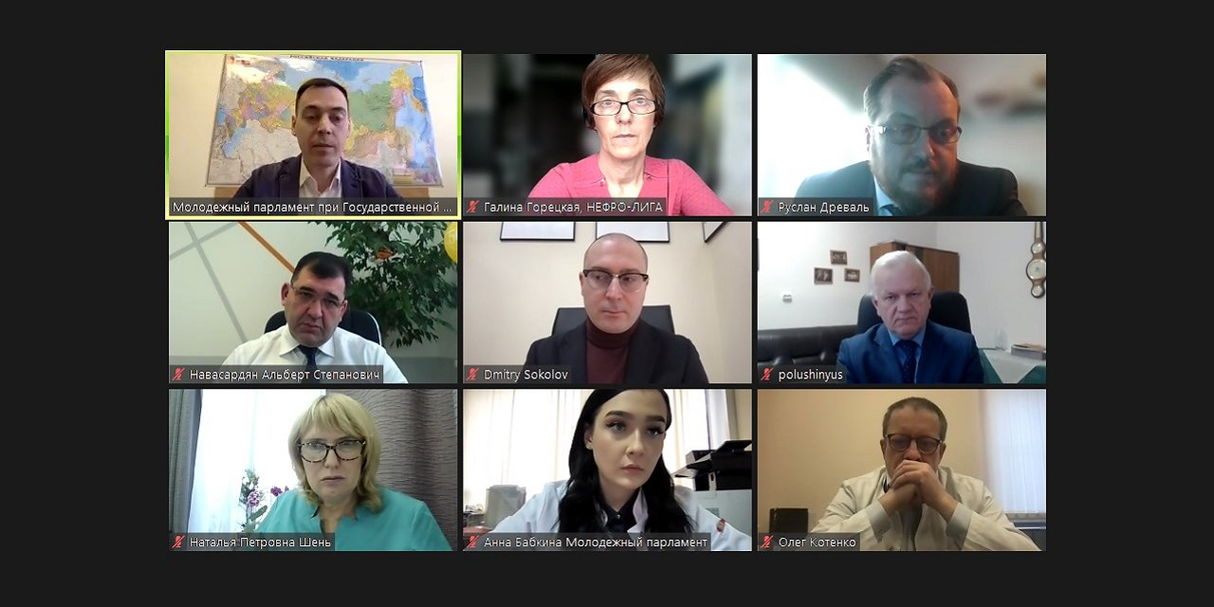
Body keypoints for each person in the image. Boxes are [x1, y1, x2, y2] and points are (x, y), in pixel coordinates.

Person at [491, 389, 750, 550]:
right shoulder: (549, 505)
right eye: (617, 425)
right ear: (589, 436)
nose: (637, 447)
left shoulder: (682, 507)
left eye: (653, 430)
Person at [795, 56, 1026, 217]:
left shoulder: (992, 192)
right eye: (903, 129)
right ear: (869, 139)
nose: (926, 151)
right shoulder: (819, 194)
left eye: (943, 132)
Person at [811, 397, 1039, 551]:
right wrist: (889, 502)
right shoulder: (853, 491)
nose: (913, 454)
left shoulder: (974, 492)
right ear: (884, 448)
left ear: (941, 452)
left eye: (927, 444)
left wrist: (943, 502)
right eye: (899, 441)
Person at [528, 54, 733, 216]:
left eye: (640, 101)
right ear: (592, 119)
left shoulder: (678, 176)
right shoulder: (563, 182)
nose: (624, 117)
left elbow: (732, 234)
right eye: (608, 102)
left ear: (655, 117)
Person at [258, 393, 450, 550]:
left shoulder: (411, 517)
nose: (331, 462)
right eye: (315, 445)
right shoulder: (283, 507)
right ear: (298, 454)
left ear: (365, 453)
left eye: (347, 443)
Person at [523, 233, 708, 384]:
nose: (614, 293)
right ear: (582, 283)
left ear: (645, 286)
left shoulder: (681, 354)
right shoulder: (542, 355)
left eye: (629, 278)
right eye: (599, 276)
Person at [223, 251, 408, 383]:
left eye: (330, 302)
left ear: (342, 310)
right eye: (305, 294)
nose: (315, 312)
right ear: (286, 294)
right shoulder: (244, 360)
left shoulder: (372, 358)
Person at [232, 78, 401, 199]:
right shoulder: (262, 182)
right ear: (293, 125)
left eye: (336, 118)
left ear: (349, 128)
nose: (324, 128)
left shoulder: (375, 185)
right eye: (312, 117)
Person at [837, 251, 982, 384]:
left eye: (913, 294)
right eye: (891, 297)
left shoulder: (963, 348)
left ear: (929, 296)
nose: (904, 308)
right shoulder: (852, 354)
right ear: (876, 305)